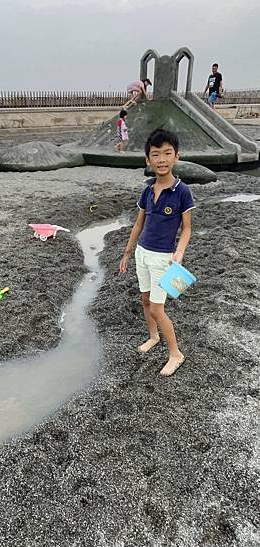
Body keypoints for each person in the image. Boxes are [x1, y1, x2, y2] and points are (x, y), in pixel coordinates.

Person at [119, 129, 195, 376]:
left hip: (163, 258)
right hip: (142, 253)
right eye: (155, 154)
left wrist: (180, 252)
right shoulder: (147, 189)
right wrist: (128, 253)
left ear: (176, 157)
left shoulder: (182, 191)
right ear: (147, 160)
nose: (161, 159)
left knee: (157, 309)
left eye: (167, 153)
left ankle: (176, 353)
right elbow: (139, 224)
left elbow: (186, 228)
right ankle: (153, 336)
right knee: (145, 300)